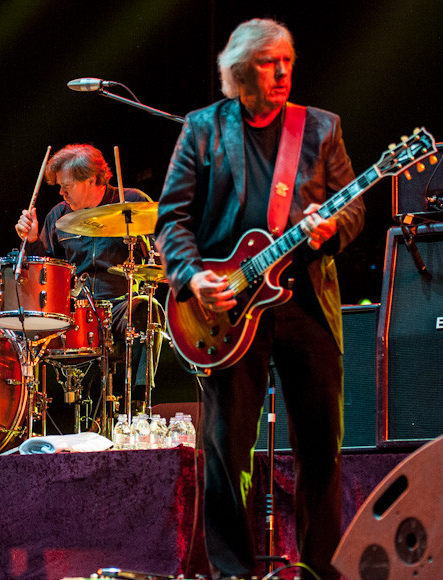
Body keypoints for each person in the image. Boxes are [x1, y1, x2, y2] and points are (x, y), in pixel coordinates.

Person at [154, 19, 364, 580]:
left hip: (306, 304)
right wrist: (194, 277)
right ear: (242, 70)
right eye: (271, 62)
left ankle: (320, 567)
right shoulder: (202, 129)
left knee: (321, 444)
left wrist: (329, 231)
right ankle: (232, 571)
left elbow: (355, 209)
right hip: (227, 306)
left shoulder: (320, 127)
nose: (283, 71)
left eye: (289, 60)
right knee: (228, 450)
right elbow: (172, 218)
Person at [14, 143, 158, 415]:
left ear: (92, 179)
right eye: (59, 186)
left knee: (148, 309)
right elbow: (45, 270)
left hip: (120, 304)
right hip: (77, 310)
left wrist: (142, 244)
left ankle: (138, 403)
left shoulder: (132, 202)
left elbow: (161, 257)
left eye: (66, 185)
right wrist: (32, 241)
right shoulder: (58, 215)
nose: (61, 192)